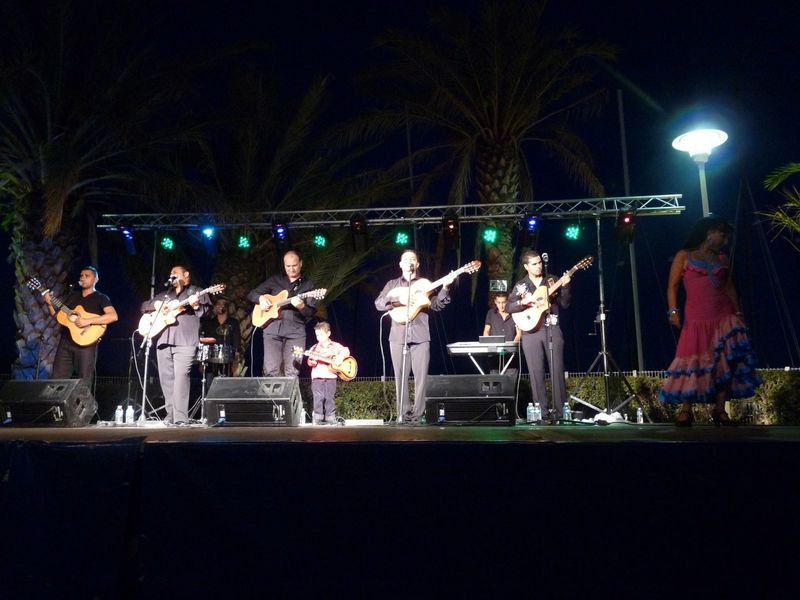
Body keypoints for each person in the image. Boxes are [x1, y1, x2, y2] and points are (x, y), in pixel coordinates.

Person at [660, 216, 761, 426]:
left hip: (724, 316)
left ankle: (720, 409)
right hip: (696, 319)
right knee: (692, 361)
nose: (725, 240)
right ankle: (686, 409)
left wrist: (738, 311)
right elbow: (672, 286)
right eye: (723, 235)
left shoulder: (722, 259)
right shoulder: (684, 256)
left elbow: (729, 286)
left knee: (725, 361)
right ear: (710, 233)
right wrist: (673, 310)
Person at [374, 250, 455, 424]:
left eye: (413, 259)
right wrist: (399, 301)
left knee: (421, 378)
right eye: (405, 259)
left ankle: (418, 416)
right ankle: (403, 415)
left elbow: (436, 305)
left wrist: (445, 287)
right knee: (400, 377)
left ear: (417, 264)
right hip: (397, 336)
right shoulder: (392, 284)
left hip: (420, 335)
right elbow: (379, 303)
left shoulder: (425, 284)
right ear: (400, 264)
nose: (409, 261)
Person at [140, 265, 211, 425]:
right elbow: (144, 306)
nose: (171, 275)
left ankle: (180, 418)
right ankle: (171, 415)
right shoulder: (165, 295)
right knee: (166, 380)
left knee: (181, 377)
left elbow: (206, 312)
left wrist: (196, 305)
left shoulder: (196, 291)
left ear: (186, 275)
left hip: (185, 341)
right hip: (163, 340)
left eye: (175, 273)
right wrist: (157, 305)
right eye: (170, 273)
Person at [507, 250, 570, 421]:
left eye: (540, 262)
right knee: (535, 372)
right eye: (534, 264)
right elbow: (509, 307)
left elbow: (565, 304)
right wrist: (524, 302)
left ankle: (560, 413)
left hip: (551, 327)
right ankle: (541, 413)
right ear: (526, 266)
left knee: (557, 369)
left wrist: (565, 286)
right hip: (530, 331)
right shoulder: (521, 285)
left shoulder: (552, 280)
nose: (539, 266)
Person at [45, 266, 118, 389]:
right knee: (57, 380)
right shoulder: (73, 296)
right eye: (81, 276)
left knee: (83, 383)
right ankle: (56, 402)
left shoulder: (101, 298)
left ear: (96, 279)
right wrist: (49, 304)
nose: (83, 278)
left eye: (87, 276)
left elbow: (113, 316)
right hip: (65, 343)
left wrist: (87, 321)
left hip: (86, 346)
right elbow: (59, 317)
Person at [247, 250, 317, 377]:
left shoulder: (308, 285)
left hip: (295, 332)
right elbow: (252, 294)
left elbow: (311, 312)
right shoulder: (275, 280)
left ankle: (291, 391)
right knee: (271, 370)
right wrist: (261, 299)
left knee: (292, 371)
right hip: (272, 330)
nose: (291, 269)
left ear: (301, 263)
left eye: (294, 265)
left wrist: (302, 306)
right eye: (288, 266)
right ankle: (272, 391)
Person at [306, 321, 350, 425]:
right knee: (318, 397)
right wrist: (312, 361)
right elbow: (310, 362)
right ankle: (318, 418)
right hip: (317, 377)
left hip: (331, 376)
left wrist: (340, 357)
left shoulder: (335, 346)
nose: (319, 337)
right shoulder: (314, 348)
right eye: (317, 335)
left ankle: (330, 417)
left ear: (328, 333)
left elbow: (346, 350)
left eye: (321, 335)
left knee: (330, 397)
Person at [200, 298, 241, 377]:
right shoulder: (209, 323)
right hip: (211, 359)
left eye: (223, 304)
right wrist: (202, 362)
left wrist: (236, 362)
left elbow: (236, 341)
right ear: (215, 306)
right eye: (218, 303)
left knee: (226, 382)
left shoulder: (233, 322)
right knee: (210, 381)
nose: (221, 306)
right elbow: (205, 342)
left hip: (228, 359)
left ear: (227, 307)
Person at [483, 291, 521, 373]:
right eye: (499, 302)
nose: (501, 305)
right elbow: (486, 332)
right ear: (495, 302)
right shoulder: (491, 313)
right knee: (495, 378)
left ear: (508, 302)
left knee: (510, 378)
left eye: (504, 302)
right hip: (494, 352)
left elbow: (519, 334)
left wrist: (512, 347)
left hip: (511, 353)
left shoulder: (515, 314)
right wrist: (489, 344)